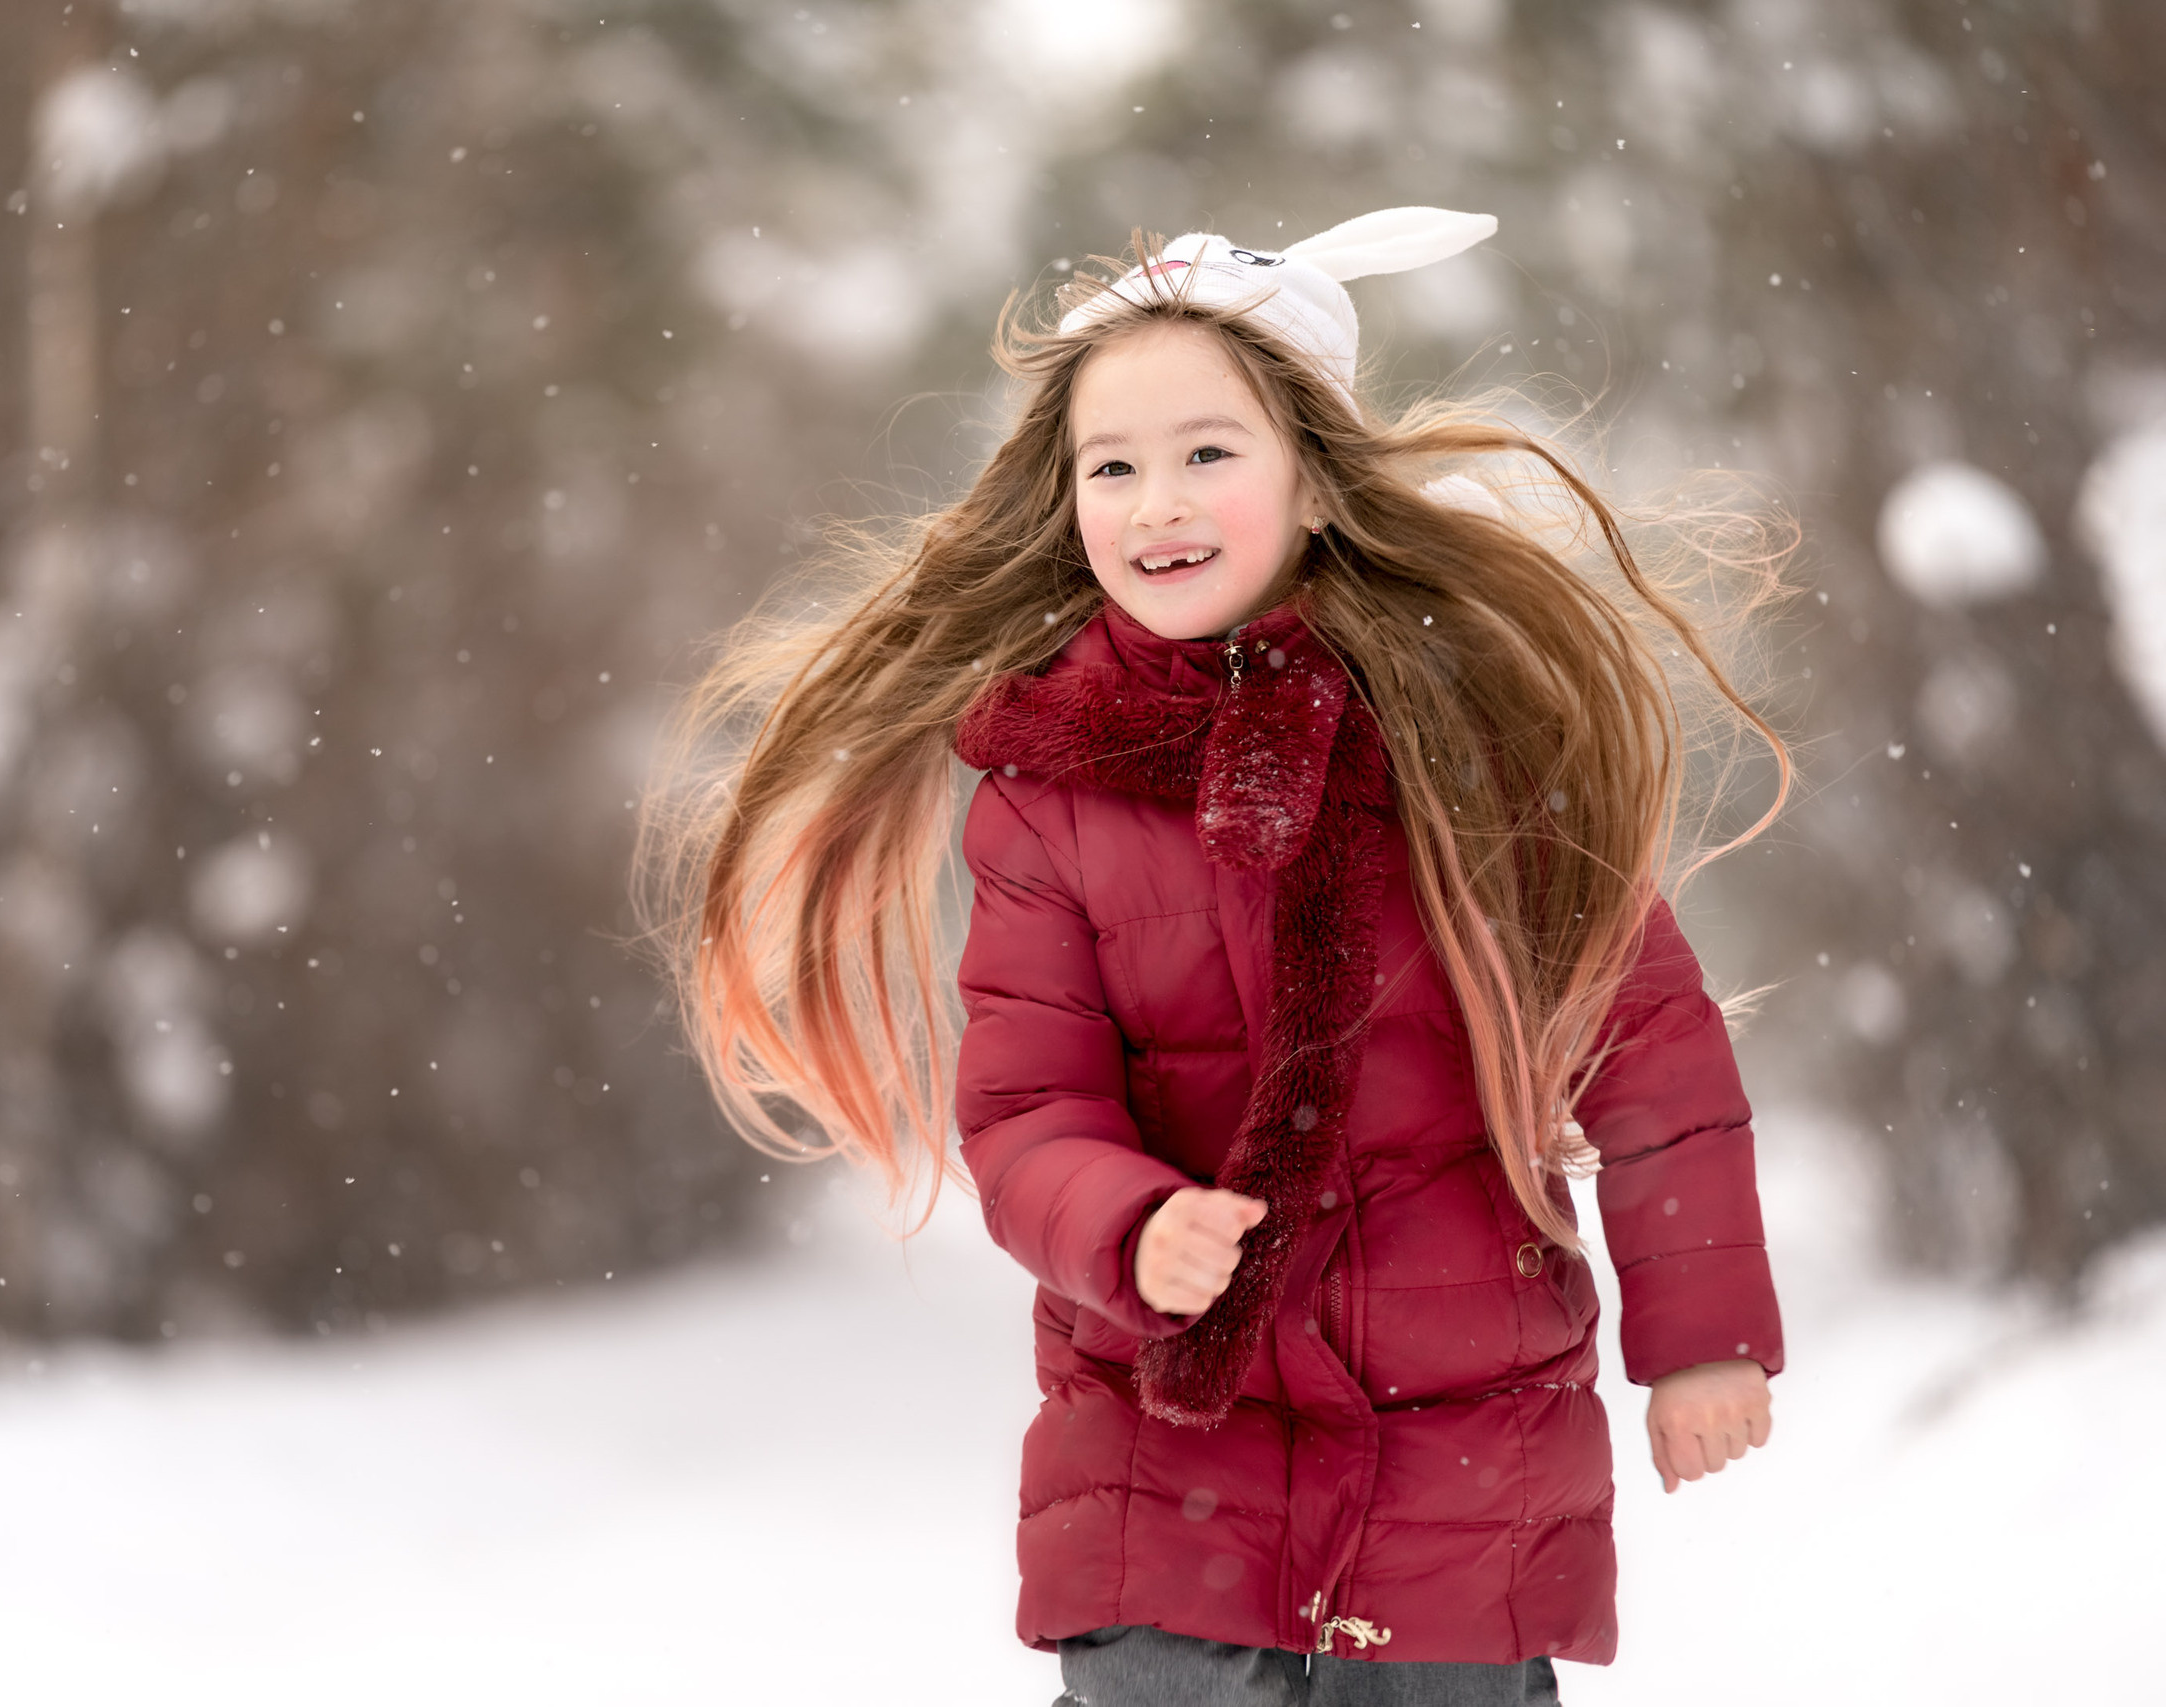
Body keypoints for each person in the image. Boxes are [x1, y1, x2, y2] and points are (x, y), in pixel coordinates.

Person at [637, 207, 1789, 1706]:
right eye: (1110, 466)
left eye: (1206, 453)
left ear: (1313, 483)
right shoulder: (1047, 796)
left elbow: (1652, 1050)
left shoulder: (1474, 745)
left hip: (1461, 1443)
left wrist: (1701, 1342)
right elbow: (1026, 1109)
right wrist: (1129, 1226)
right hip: (1163, 1446)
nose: (1154, 499)